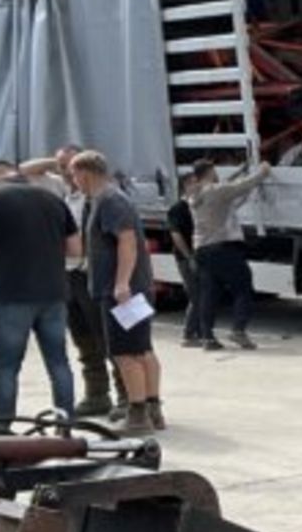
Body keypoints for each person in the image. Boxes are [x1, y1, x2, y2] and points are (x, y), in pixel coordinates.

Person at [0, 165, 79, 424]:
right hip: (53, 294)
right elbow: (75, 248)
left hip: (11, 295)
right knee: (59, 363)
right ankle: (65, 423)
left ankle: (3, 428)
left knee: (7, 368)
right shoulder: (54, 200)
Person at [21, 143, 120, 418]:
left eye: (70, 167)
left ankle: (126, 398)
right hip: (68, 275)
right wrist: (55, 164)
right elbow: (23, 171)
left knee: (107, 338)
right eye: (61, 167)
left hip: (93, 276)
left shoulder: (100, 197)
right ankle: (97, 395)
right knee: (83, 339)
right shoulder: (63, 192)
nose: (65, 172)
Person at [70, 149, 163, 435]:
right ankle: (152, 410)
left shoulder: (110, 200)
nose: (72, 180)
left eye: (73, 174)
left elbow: (128, 242)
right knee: (143, 349)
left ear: (84, 173)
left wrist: (121, 284)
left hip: (122, 291)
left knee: (126, 354)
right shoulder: (104, 199)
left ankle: (138, 417)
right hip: (128, 289)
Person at [186, 159, 270, 350]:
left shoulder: (194, 194)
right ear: (209, 172)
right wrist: (263, 172)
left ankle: (207, 337)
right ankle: (238, 330)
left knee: (209, 294)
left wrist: (240, 170)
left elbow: (229, 188)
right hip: (222, 248)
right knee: (243, 286)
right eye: (214, 171)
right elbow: (241, 187)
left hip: (202, 249)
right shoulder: (215, 191)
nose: (216, 174)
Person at [165, 188, 208, 346]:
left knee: (202, 294)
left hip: (198, 256)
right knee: (196, 296)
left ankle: (200, 332)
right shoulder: (177, 209)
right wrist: (189, 257)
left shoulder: (195, 206)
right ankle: (189, 335)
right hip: (185, 258)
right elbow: (176, 235)